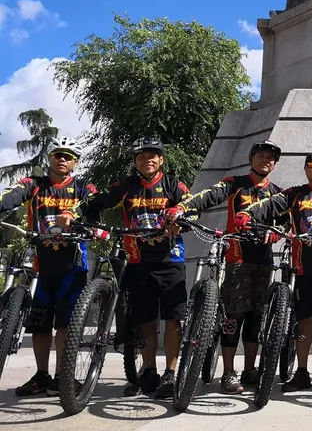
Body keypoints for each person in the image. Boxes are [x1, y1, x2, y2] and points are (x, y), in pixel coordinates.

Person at [57, 136, 190, 399]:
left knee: (173, 318)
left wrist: (180, 221)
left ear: (161, 160)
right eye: (141, 157)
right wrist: (73, 213)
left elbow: (190, 209)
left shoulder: (174, 185)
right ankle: (149, 371)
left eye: (152, 156)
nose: (147, 160)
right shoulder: (126, 186)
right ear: (135, 162)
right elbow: (96, 201)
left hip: (169, 261)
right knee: (145, 320)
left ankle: (171, 374)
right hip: (137, 261)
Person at [163, 140, 285, 394]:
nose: (266, 160)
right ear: (251, 158)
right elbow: (206, 197)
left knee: (256, 318)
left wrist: (275, 235)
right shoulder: (234, 184)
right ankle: (229, 372)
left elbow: (285, 224)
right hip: (236, 259)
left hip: (263, 261)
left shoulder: (278, 193)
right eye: (261, 155)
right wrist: (183, 207)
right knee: (233, 318)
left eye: (271, 157)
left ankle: (250, 370)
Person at [233, 152, 312, 393]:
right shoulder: (295, 193)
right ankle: (301, 372)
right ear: (305, 169)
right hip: (304, 267)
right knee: (304, 320)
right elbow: (268, 204)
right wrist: (247, 213)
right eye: (311, 165)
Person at [0, 138, 97, 396]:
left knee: (65, 325)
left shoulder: (83, 187)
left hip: (73, 266)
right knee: (40, 325)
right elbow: (11, 195)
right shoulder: (34, 184)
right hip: (42, 267)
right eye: (57, 155)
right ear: (50, 158)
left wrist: (82, 220)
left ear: (75, 161)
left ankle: (61, 377)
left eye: (68, 156)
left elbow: (93, 205)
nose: (62, 159)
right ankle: (41, 375)